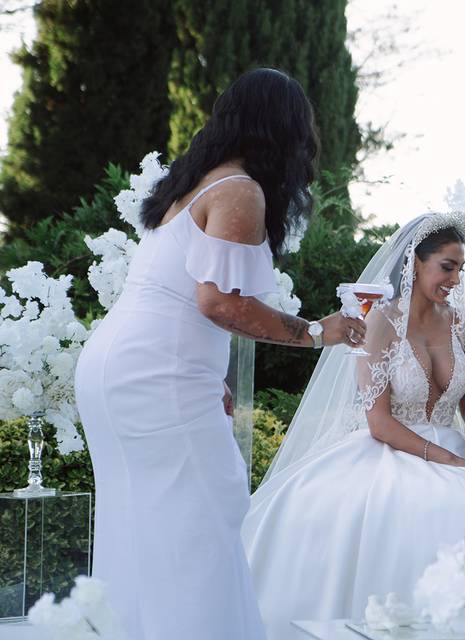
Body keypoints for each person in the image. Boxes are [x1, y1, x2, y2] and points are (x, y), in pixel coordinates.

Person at [74, 68, 364, 640]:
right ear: (283, 130)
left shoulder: (195, 185)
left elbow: (183, 296)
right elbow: (221, 304)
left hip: (119, 368)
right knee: (199, 522)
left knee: (141, 525)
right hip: (155, 375)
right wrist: (314, 332)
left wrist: (213, 376)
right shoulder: (241, 191)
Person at [242, 213, 465, 638]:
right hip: (390, 448)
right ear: (415, 261)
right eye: (446, 267)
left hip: (453, 444)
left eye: (459, 269)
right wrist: (454, 463)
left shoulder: (461, 324)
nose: (454, 279)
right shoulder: (381, 321)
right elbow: (378, 421)